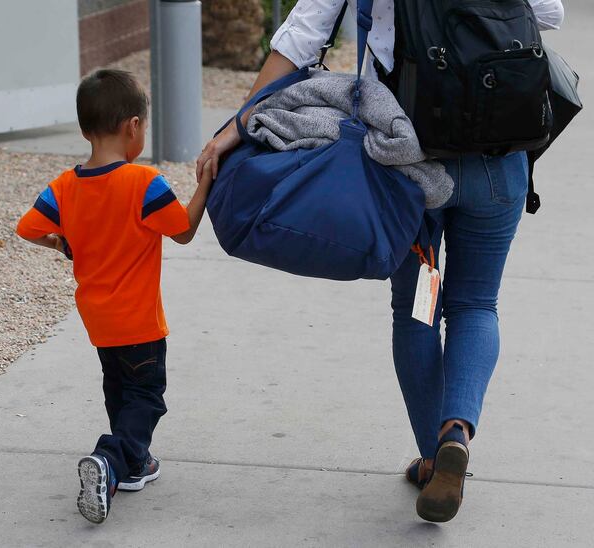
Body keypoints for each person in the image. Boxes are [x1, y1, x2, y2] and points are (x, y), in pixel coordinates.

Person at [198, 0, 564, 523]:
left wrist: (240, 121)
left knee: (418, 309)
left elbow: (304, 35)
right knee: (477, 305)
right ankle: (455, 430)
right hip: (499, 159)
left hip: (412, 164)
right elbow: (550, 14)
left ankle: (436, 459)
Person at [15, 69, 214, 524]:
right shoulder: (144, 182)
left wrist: (60, 242)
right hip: (140, 320)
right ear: (133, 127)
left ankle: (135, 463)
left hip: (98, 320)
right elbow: (182, 231)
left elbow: (27, 228)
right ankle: (109, 458)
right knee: (146, 396)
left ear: (85, 129)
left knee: (119, 391)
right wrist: (206, 182)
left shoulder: (65, 186)